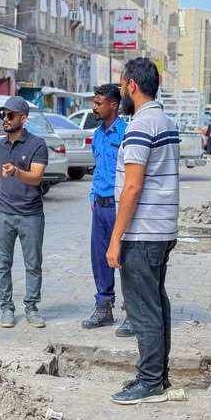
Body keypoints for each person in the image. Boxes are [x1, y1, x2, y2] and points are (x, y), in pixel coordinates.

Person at [106, 58, 179, 405]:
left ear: (132, 85)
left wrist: (115, 238)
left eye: (122, 85)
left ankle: (149, 382)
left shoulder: (141, 125)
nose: (121, 91)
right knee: (156, 303)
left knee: (143, 309)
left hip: (143, 232)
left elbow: (132, 187)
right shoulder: (165, 121)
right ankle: (157, 376)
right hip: (161, 229)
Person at [0, 96, 49, 329]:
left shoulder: (37, 144)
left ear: (23, 118)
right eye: (3, 115)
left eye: (10, 115)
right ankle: (6, 308)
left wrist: (17, 172)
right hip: (3, 214)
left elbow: (36, 177)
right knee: (2, 264)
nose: (5, 119)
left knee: (33, 264)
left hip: (31, 215)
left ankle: (31, 307)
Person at [81, 84, 133, 337]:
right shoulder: (98, 134)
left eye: (99, 103)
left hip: (119, 206)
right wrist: (92, 195)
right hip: (100, 206)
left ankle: (133, 312)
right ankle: (104, 307)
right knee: (100, 258)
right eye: (94, 102)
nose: (94, 107)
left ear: (113, 105)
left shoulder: (126, 134)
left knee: (126, 259)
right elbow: (98, 168)